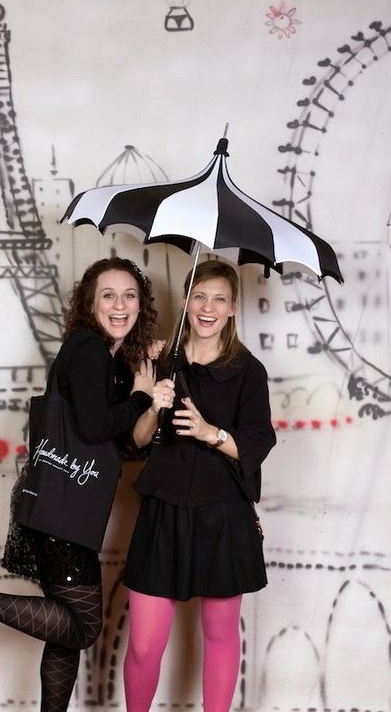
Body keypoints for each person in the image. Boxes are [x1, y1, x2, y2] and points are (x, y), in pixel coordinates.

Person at [0, 257, 168, 712]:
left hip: (60, 506)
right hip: (65, 516)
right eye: (108, 295)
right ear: (90, 304)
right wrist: (143, 396)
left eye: (130, 296)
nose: (120, 305)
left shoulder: (100, 357)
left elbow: (122, 436)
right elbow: (93, 425)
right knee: (84, 627)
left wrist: (144, 366)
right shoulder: (88, 349)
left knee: (64, 630)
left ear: (141, 304)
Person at [123, 259, 276, 712]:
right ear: (187, 300)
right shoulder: (158, 358)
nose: (208, 307)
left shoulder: (250, 371)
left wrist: (212, 433)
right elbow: (135, 441)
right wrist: (152, 406)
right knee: (145, 644)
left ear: (232, 308)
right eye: (199, 296)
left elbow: (258, 439)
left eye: (219, 299)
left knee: (220, 634)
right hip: (163, 512)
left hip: (222, 513)